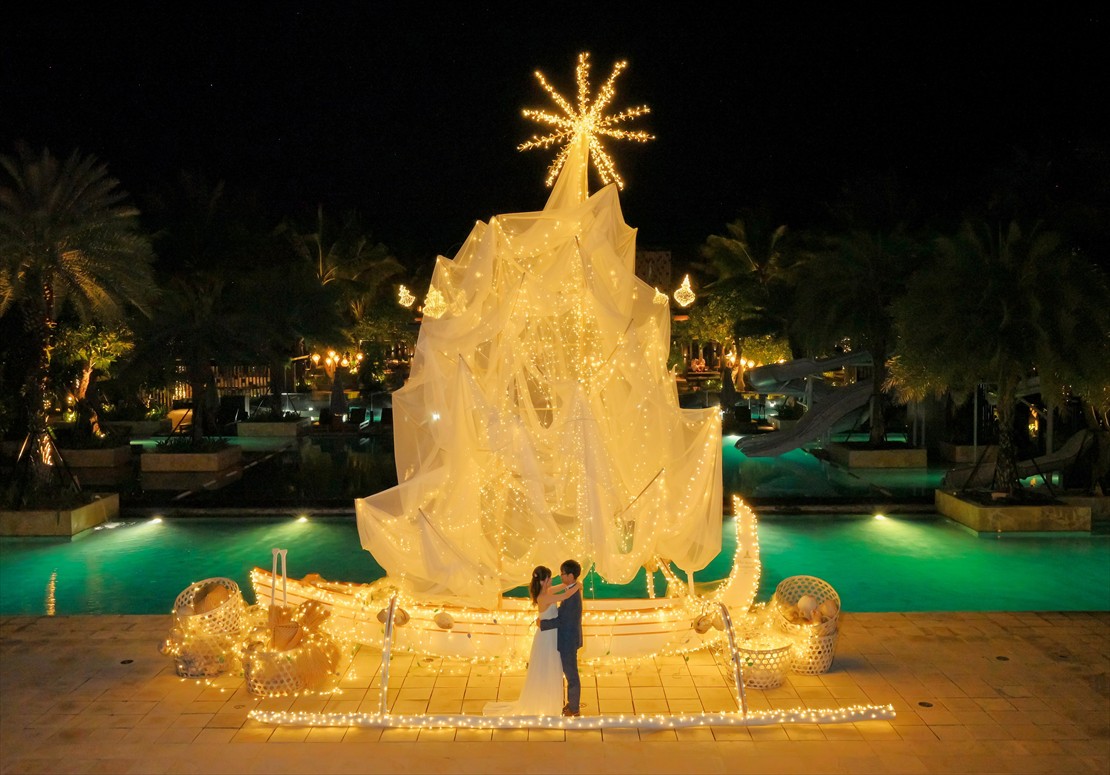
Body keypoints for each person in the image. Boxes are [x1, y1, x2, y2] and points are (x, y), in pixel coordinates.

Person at [482, 565, 578, 717]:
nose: (552, 580)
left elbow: (562, 587)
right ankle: (546, 701)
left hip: (551, 634)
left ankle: (552, 700)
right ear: (542, 582)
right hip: (547, 638)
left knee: (552, 667)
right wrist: (577, 586)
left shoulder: (547, 591)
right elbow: (565, 596)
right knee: (546, 668)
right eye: (548, 578)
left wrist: (569, 584)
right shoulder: (544, 597)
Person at [539, 559, 584, 716]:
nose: (560, 576)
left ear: (571, 576)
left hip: (568, 640)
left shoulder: (572, 596)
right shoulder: (571, 589)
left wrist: (542, 624)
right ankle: (571, 704)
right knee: (569, 672)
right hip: (568, 637)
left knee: (571, 674)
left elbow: (562, 620)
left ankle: (574, 708)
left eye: (563, 573)